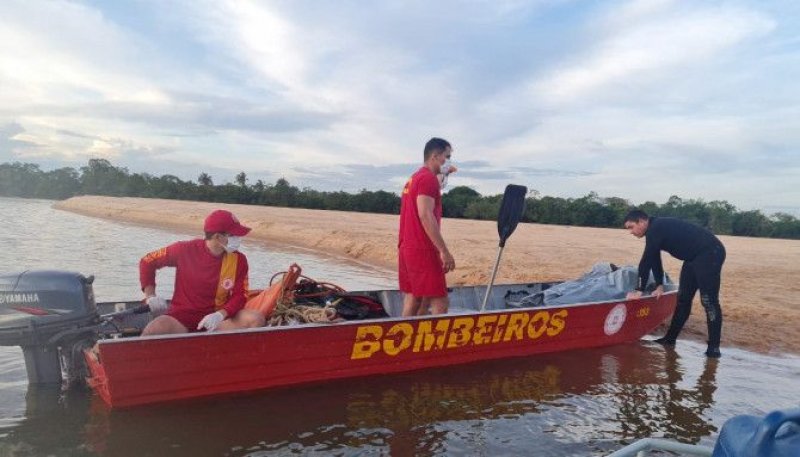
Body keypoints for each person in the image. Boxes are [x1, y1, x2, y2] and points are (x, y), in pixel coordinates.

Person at [139, 209, 266, 335]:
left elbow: (240, 295)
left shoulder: (239, 260)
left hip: (218, 320)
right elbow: (147, 261)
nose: (238, 239)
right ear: (217, 237)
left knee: (256, 319)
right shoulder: (184, 249)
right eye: (233, 235)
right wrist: (150, 296)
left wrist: (220, 314)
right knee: (155, 328)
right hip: (181, 319)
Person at [624, 209, 726, 358]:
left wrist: (639, 290)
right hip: (692, 257)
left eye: (631, 227)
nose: (631, 232)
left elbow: (645, 262)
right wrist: (659, 284)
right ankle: (670, 339)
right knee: (683, 299)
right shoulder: (654, 229)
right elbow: (653, 258)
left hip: (710, 253)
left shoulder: (655, 228)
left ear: (642, 222)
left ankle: (714, 348)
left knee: (708, 301)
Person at [398, 137, 456, 316]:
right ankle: (437, 334)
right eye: (447, 156)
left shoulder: (414, 178)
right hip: (422, 248)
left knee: (415, 297)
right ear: (435, 156)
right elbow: (425, 214)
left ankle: (403, 333)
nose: (448, 161)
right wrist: (444, 251)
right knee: (440, 301)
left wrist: (444, 175)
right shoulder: (428, 179)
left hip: (407, 246)